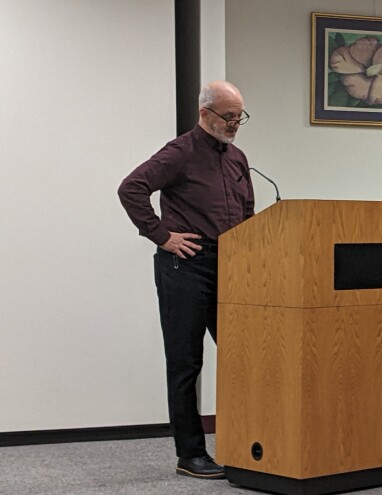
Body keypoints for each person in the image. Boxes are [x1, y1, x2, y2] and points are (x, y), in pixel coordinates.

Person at [117, 81, 255, 479]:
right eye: (228, 117)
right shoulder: (180, 152)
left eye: (239, 117)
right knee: (186, 362)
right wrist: (162, 236)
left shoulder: (239, 158)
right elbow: (132, 188)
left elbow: (247, 210)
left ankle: (248, 441)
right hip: (187, 266)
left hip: (230, 266)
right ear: (204, 114)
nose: (234, 125)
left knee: (243, 356)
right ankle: (190, 454)